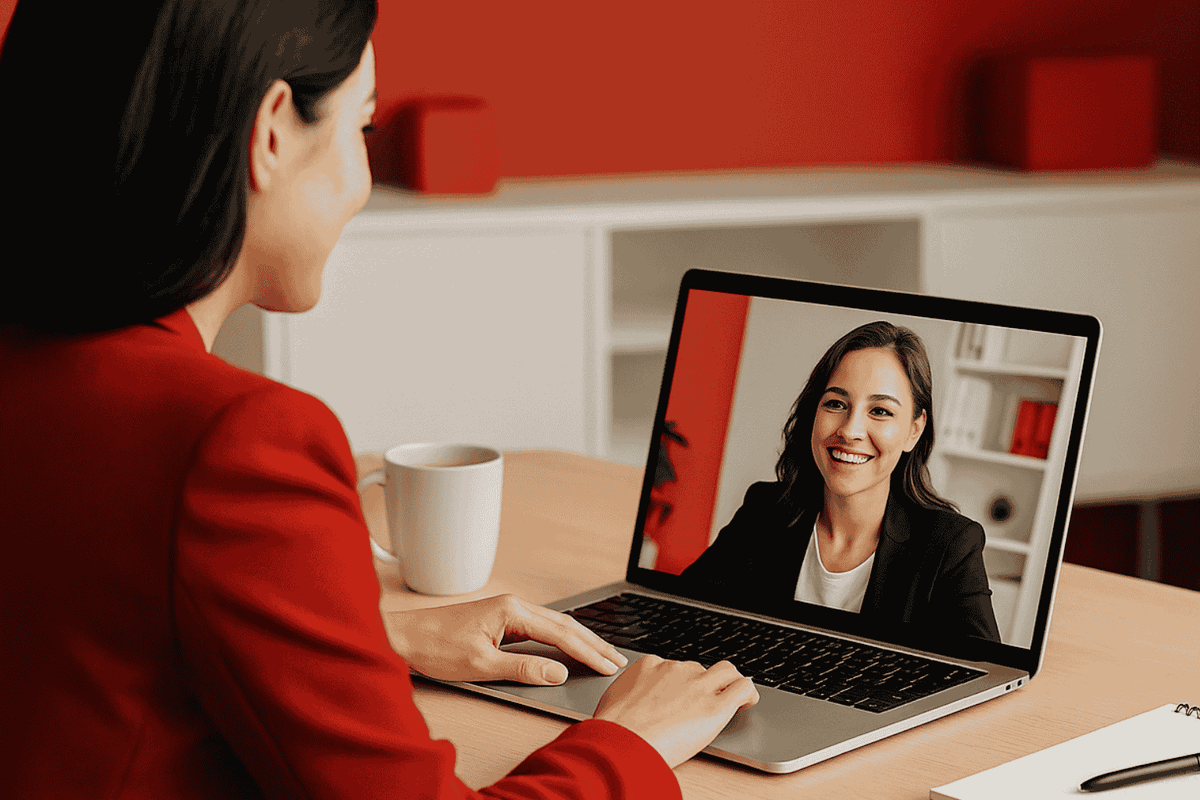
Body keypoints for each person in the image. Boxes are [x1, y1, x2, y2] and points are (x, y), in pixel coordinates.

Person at [0, 2, 758, 798]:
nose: (361, 182)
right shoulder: (231, 442)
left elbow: (96, 643)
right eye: (360, 129)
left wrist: (371, 641)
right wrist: (629, 740)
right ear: (270, 135)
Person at [682, 321, 1001, 643]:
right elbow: (681, 610)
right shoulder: (765, 508)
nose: (850, 430)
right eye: (836, 404)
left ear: (914, 430)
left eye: (880, 411)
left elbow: (985, 670)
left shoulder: (950, 545)